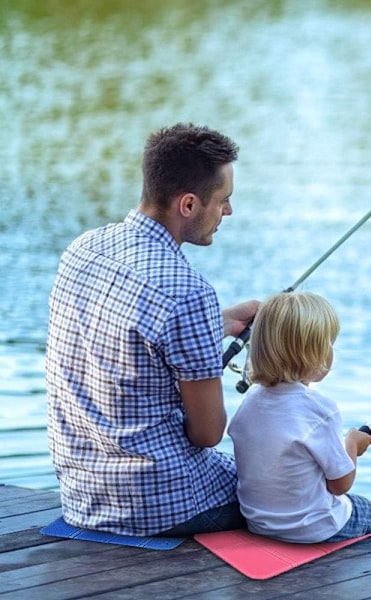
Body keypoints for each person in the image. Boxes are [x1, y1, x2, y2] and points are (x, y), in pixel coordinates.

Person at [46, 123, 259, 537]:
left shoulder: (83, 249)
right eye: (224, 200)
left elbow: (126, 336)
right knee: (294, 490)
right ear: (189, 204)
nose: (228, 212)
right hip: (159, 505)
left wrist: (221, 321)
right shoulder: (187, 291)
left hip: (82, 497)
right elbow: (207, 434)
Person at [228, 292, 371, 543]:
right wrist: (352, 443)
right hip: (314, 528)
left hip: (258, 523)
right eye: (329, 344)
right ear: (314, 355)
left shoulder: (251, 400)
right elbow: (340, 485)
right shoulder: (321, 410)